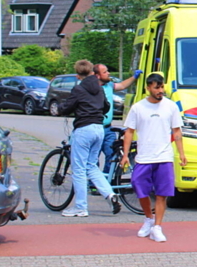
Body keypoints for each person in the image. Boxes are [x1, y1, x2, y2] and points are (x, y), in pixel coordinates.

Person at [119, 73, 186, 242]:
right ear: (148, 88)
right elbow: (129, 132)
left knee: (162, 193)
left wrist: (181, 154)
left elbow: (177, 132)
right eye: (156, 87)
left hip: (164, 156)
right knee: (138, 186)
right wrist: (125, 155)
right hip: (144, 157)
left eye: (162, 87)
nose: (160, 90)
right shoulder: (138, 108)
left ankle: (157, 227)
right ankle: (148, 218)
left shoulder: (171, 107)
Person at [59, 60, 120, 217]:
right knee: (91, 166)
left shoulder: (78, 89)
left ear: (78, 75)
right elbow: (106, 106)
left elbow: (67, 107)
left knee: (78, 169)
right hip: (99, 129)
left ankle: (80, 207)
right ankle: (110, 194)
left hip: (84, 129)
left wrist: (60, 109)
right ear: (93, 73)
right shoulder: (99, 89)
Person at [93, 64, 141, 178]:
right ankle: (93, 183)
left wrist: (134, 77)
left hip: (107, 128)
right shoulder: (92, 88)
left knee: (112, 155)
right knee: (93, 158)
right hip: (95, 128)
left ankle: (105, 180)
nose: (108, 73)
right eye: (105, 72)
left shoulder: (109, 85)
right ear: (97, 76)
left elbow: (122, 85)